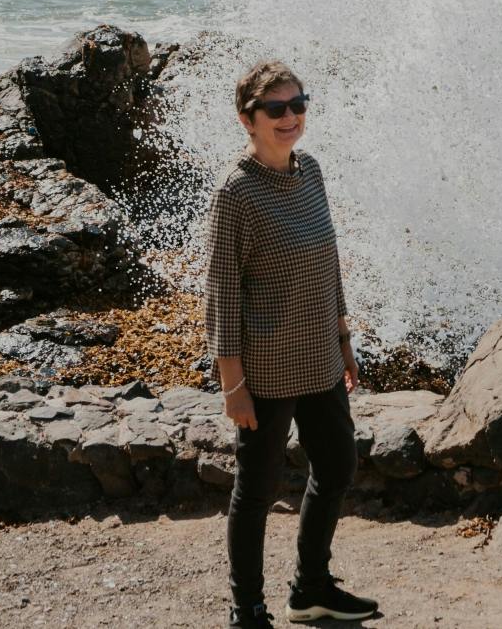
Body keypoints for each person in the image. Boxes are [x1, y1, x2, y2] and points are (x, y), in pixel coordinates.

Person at [204, 60, 379, 627]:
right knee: (256, 491)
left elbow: (328, 265)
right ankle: (246, 608)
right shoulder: (236, 194)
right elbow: (223, 297)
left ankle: (310, 589)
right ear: (247, 120)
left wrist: (344, 338)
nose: (290, 116)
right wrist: (233, 385)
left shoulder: (312, 172)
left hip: (321, 357)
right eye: (276, 108)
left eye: (298, 104)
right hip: (267, 368)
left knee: (337, 465)